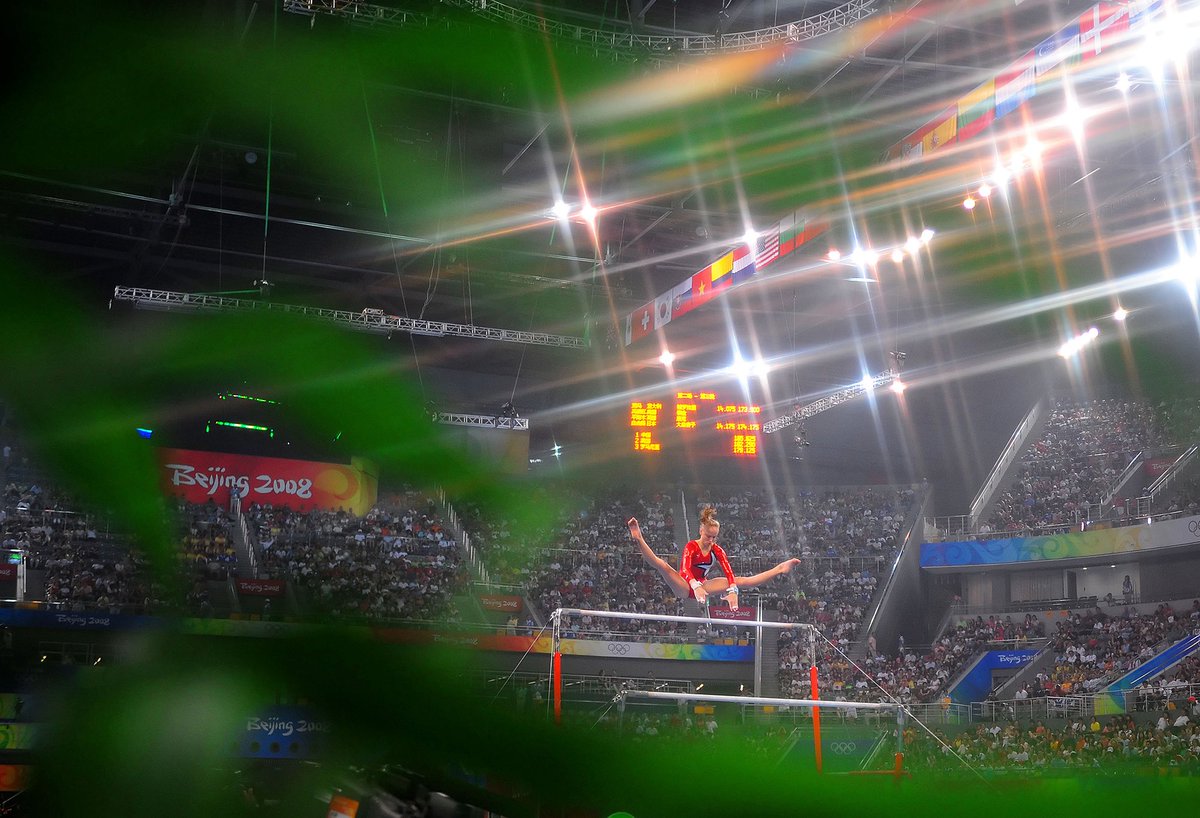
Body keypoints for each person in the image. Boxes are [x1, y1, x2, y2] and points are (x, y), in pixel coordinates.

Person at [626, 506, 800, 611]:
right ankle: (639, 538)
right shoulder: (691, 546)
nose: (711, 540)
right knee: (662, 565)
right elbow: (685, 569)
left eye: (714, 537)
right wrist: (696, 587)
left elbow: (729, 572)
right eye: (708, 536)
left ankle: (779, 568)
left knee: (742, 580)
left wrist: (733, 591)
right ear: (701, 531)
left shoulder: (717, 550)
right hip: (685, 585)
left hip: (704, 583)